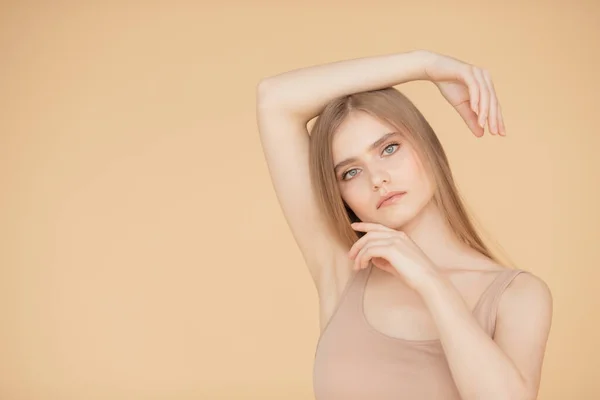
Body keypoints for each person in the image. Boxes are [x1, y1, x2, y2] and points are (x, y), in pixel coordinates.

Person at [255, 49, 553, 400]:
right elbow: (275, 99)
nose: (377, 178)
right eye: (351, 172)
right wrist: (425, 65)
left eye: (389, 148)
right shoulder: (344, 269)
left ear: (426, 145)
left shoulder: (517, 296)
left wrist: (431, 282)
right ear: (342, 195)